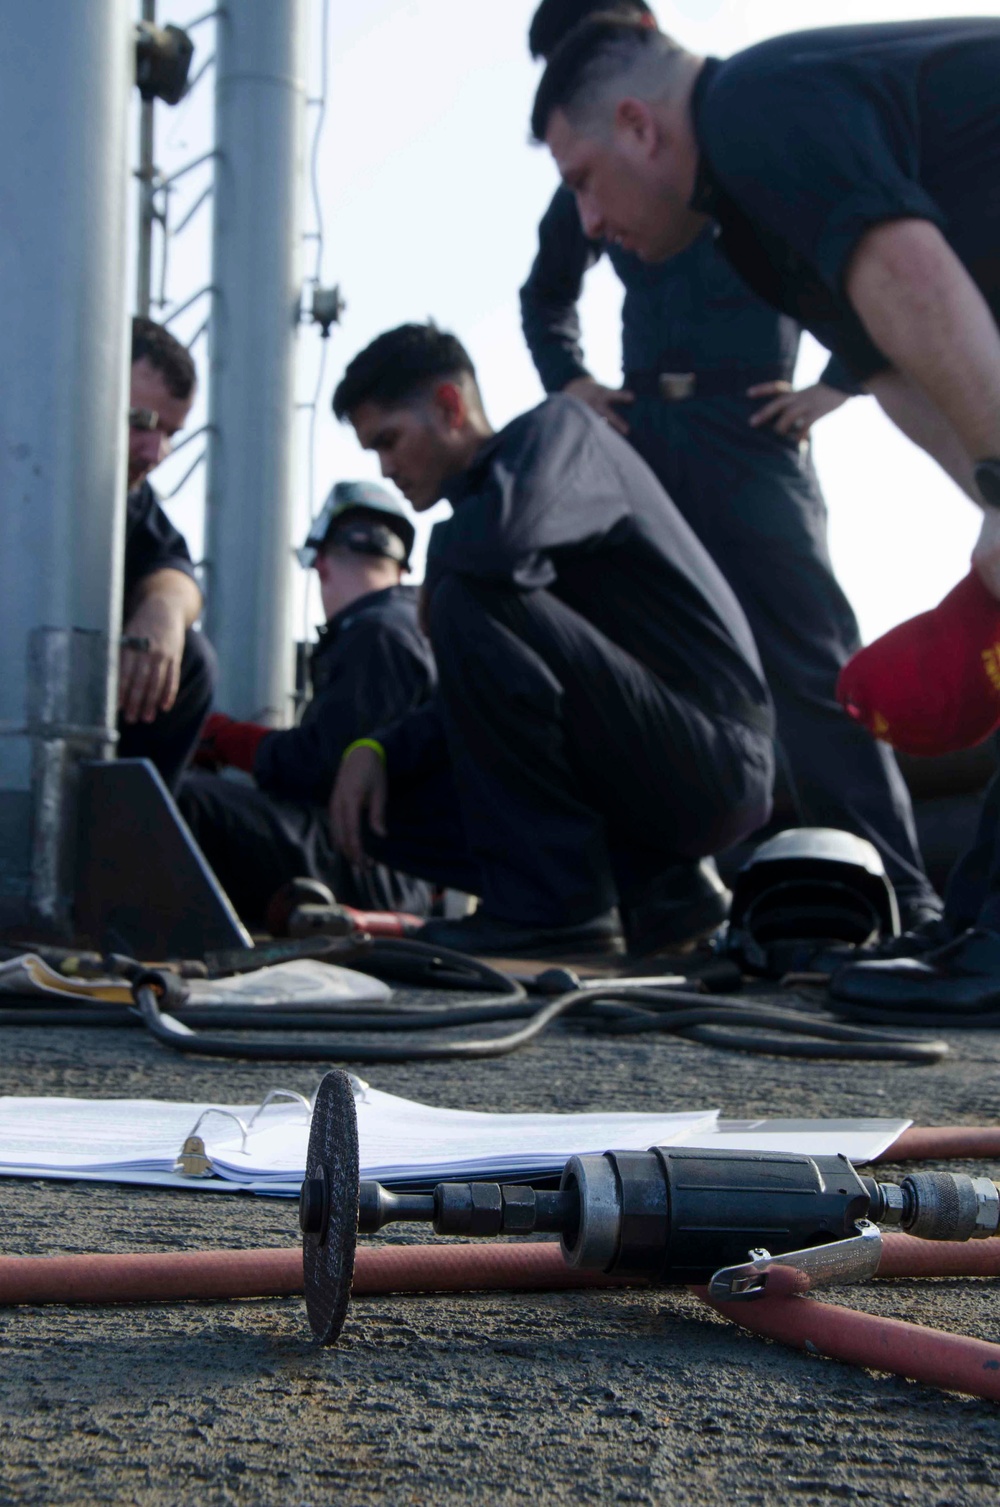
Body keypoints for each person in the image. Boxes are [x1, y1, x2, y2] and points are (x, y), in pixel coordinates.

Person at [530, 15, 1000, 996]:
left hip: (745, 435)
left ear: (636, 124)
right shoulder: (740, 221)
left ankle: (932, 907)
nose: (583, 219)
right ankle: (974, 929)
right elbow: (892, 363)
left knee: (807, 658)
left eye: (581, 179)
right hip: (656, 431)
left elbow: (907, 275)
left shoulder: (753, 106)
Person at [327, 323, 775, 959]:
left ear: (450, 406)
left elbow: (506, 543)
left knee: (469, 590)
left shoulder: (562, 433)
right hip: (645, 752)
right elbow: (498, 697)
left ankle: (554, 911)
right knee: (381, 801)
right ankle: (660, 892)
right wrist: (375, 749)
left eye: (390, 441)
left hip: (716, 755)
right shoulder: (482, 530)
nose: (387, 468)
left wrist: (442, 557)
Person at [177, 483, 436, 927]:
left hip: (373, 869)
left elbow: (323, 768)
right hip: (398, 867)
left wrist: (225, 738)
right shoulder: (410, 627)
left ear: (321, 566)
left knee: (182, 799)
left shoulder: (376, 634)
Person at [123, 317, 216, 792]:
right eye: (140, 423)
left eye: (170, 433)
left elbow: (174, 566)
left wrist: (163, 609)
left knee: (192, 660)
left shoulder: (127, 497)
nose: (154, 452)